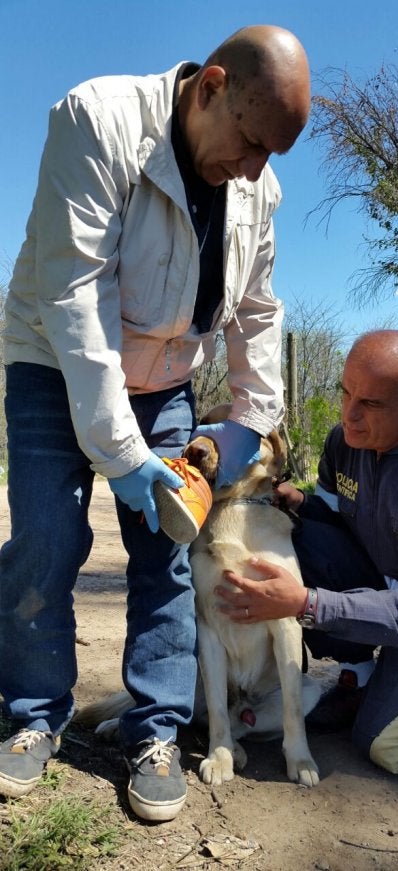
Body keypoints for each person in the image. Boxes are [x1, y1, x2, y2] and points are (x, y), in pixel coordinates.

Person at [0, 26, 311, 821]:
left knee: (170, 549)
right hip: (50, 356)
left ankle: (158, 730)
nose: (251, 171)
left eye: (269, 157)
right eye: (248, 142)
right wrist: (126, 458)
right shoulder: (96, 120)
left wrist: (229, 439)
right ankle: (34, 716)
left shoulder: (256, 188)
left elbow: (258, 320)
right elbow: (78, 304)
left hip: (167, 376)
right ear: (210, 87)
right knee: (46, 536)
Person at [216, 330, 398, 774]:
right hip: (390, 586)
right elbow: (332, 525)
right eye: (345, 393)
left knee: (388, 744)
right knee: (294, 538)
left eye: (371, 404)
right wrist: (298, 504)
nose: (350, 414)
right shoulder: (345, 442)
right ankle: (358, 677)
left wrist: (306, 604)